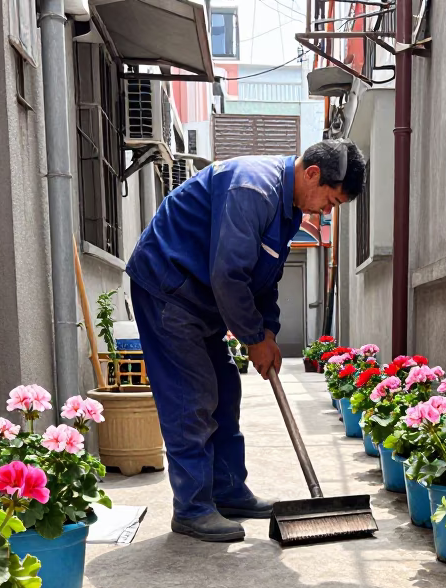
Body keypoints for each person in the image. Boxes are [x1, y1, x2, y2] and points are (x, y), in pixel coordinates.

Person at [125, 140, 367, 542]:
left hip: (200, 298)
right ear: (311, 174)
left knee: (225, 389)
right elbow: (229, 274)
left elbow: (263, 276)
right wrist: (253, 338)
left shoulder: (288, 209)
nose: (328, 211)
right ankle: (192, 508)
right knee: (193, 395)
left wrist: (268, 330)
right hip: (168, 288)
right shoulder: (252, 189)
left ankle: (228, 491)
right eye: (331, 200)